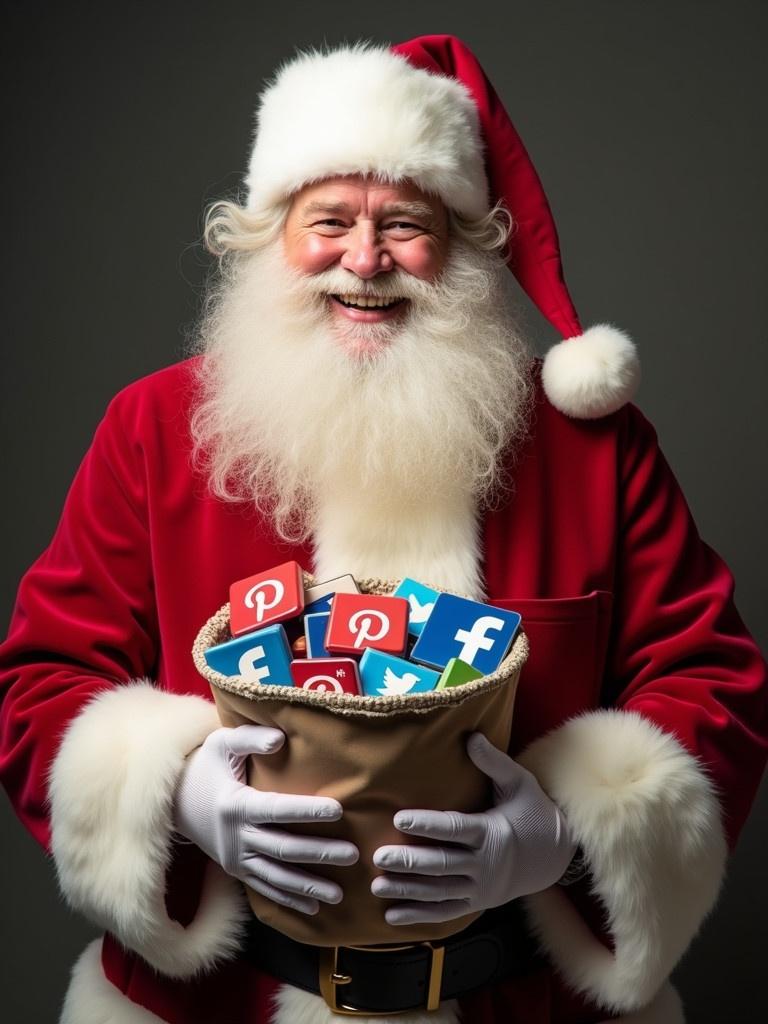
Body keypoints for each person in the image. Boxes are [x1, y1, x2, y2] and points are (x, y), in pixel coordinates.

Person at [0, 33, 765, 1024]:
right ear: (269, 234)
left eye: (405, 224)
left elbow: (713, 676)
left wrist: (566, 832)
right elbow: (41, 680)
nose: (364, 261)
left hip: (520, 1000)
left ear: (463, 247)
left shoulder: (594, 452)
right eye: (328, 222)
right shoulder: (150, 430)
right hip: (217, 1002)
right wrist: (179, 796)